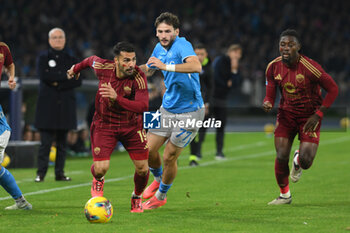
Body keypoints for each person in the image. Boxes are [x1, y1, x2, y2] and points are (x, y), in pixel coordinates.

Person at [67, 41, 150, 213]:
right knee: (100, 169)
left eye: (133, 60)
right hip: (105, 125)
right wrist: (75, 68)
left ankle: (136, 197)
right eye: (126, 60)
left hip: (131, 126)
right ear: (116, 61)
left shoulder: (138, 76)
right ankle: (98, 179)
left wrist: (116, 98)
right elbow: (90, 60)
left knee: (143, 169)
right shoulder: (103, 67)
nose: (131, 64)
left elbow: (143, 106)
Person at [263, 29, 338, 205]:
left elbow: (333, 89)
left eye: (290, 45)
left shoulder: (311, 67)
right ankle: (284, 196)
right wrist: (267, 101)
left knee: (306, 161)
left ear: (299, 47)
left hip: (309, 117)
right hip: (286, 115)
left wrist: (318, 114)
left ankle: (298, 161)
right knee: (281, 155)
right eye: (283, 44)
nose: (286, 48)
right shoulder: (273, 67)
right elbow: (270, 91)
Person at [139, 12, 204, 209]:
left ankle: (161, 195)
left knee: (169, 156)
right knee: (147, 150)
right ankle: (158, 178)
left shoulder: (182, 45)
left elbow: (196, 66)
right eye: (160, 31)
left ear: (176, 31)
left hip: (190, 112)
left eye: (168, 31)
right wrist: (128, 71)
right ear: (156, 33)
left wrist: (165, 66)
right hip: (167, 108)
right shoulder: (158, 47)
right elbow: (151, 68)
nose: (164, 35)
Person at [34, 28, 82, 182]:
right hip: (47, 107)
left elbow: (77, 80)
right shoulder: (43, 58)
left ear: (65, 39)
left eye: (60, 37)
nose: (58, 40)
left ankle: (59, 173)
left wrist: (56, 82)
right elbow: (44, 76)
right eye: (55, 37)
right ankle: (40, 173)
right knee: (45, 143)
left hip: (65, 106)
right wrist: (65, 78)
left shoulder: (72, 58)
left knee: (62, 144)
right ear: (49, 40)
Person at [0, 41, 32, 210]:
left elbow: (10, 64)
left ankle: (21, 202)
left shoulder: (3, 48)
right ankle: (21, 202)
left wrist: (10, 77)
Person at [212, 44, 242, 160]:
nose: (238, 57)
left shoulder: (234, 65)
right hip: (211, 98)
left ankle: (219, 152)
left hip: (222, 99)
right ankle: (195, 153)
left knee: (221, 126)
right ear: (231, 52)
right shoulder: (220, 61)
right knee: (201, 126)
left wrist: (234, 71)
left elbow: (236, 83)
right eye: (237, 54)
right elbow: (215, 77)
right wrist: (226, 83)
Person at [189, 44, 213, 166]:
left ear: (206, 55)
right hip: (189, 103)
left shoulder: (209, 68)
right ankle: (193, 157)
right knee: (191, 130)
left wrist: (207, 103)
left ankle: (196, 153)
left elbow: (211, 88)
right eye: (196, 54)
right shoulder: (188, 66)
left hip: (203, 103)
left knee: (201, 130)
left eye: (201, 54)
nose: (199, 57)